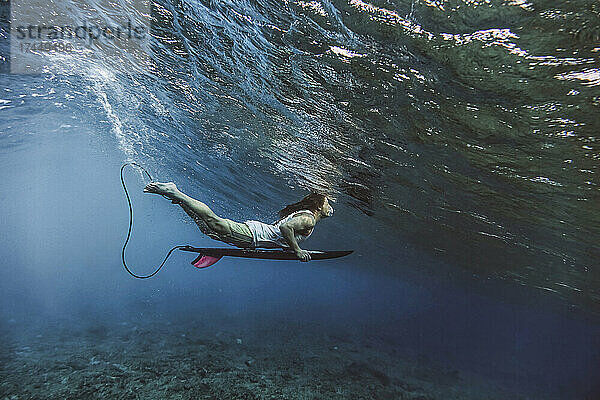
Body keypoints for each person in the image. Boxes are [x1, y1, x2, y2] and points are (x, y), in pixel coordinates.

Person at [143, 182, 334, 261]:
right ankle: (174, 191)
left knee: (208, 230)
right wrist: (297, 250)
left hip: (254, 235)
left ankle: (182, 202)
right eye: (328, 204)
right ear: (319, 206)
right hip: (253, 236)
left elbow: (282, 234)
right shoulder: (309, 219)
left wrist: (288, 248)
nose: (331, 209)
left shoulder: (305, 215)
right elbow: (285, 228)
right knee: (214, 222)